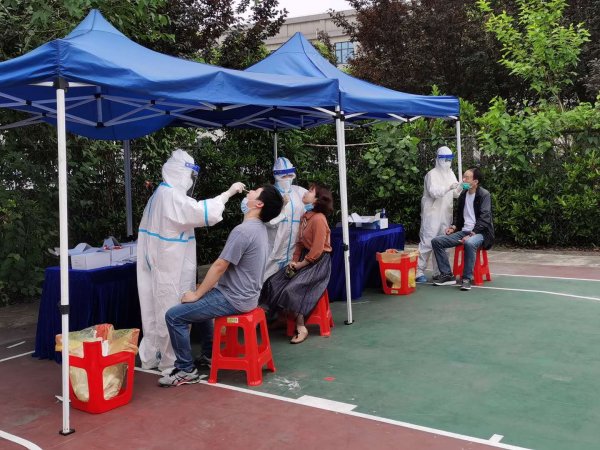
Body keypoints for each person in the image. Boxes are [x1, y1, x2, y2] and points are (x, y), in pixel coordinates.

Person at [158, 185, 283, 387]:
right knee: (201, 302)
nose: (249, 193)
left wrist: (197, 294)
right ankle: (209, 353)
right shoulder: (261, 229)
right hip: (248, 296)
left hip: (234, 298)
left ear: (259, 204)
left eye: (254, 191)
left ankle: (185, 370)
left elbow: (220, 266)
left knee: (174, 316)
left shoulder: (243, 231)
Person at [137, 149, 245, 373]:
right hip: (169, 266)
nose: (190, 181)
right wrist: (228, 193)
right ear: (180, 173)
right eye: (189, 176)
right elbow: (204, 212)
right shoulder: (171, 197)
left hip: (160, 262)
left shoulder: (160, 194)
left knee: (155, 310)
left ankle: (154, 356)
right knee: (170, 309)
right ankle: (172, 363)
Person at [259, 183, 334, 344]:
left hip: (318, 262)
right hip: (305, 259)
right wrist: (294, 260)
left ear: (317, 200)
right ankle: (283, 318)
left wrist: (300, 265)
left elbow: (317, 250)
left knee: (293, 289)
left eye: (311, 191)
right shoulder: (306, 216)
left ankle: (301, 327)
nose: (306, 192)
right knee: (274, 281)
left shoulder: (319, 219)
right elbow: (300, 243)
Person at [431, 167, 494, 291]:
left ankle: (466, 279)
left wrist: (471, 234)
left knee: (469, 243)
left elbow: (485, 218)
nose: (463, 180)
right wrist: (453, 227)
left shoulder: (484, 195)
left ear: (475, 181)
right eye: (463, 177)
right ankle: (447, 274)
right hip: (464, 231)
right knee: (436, 241)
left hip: (480, 233)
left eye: (467, 178)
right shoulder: (463, 195)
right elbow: (459, 215)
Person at [416, 146, 462, 283]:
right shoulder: (432, 174)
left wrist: (461, 187)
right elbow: (433, 192)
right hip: (432, 214)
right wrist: (449, 187)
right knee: (427, 242)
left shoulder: (451, 173)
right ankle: (419, 271)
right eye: (445, 159)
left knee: (443, 243)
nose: (447, 162)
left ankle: (439, 272)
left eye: (450, 159)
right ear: (438, 159)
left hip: (446, 213)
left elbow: (455, 194)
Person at [264, 157, 308, 281]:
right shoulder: (269, 193)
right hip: (273, 245)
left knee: (288, 279)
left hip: (294, 247)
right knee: (265, 276)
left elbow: (312, 211)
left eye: (290, 175)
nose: (287, 179)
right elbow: (266, 220)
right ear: (276, 175)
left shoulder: (299, 192)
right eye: (283, 176)